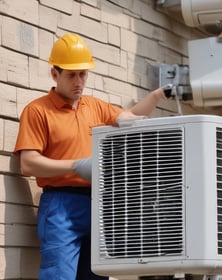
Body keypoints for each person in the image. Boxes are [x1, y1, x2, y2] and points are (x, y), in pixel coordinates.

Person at [13, 33, 172, 280]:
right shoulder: (37, 110)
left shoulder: (94, 106)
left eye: (83, 74)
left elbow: (128, 119)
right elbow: (28, 163)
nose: (79, 81)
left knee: (96, 276)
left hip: (98, 204)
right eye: (71, 75)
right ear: (55, 74)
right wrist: (76, 166)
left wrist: (156, 96)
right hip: (60, 206)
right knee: (59, 276)